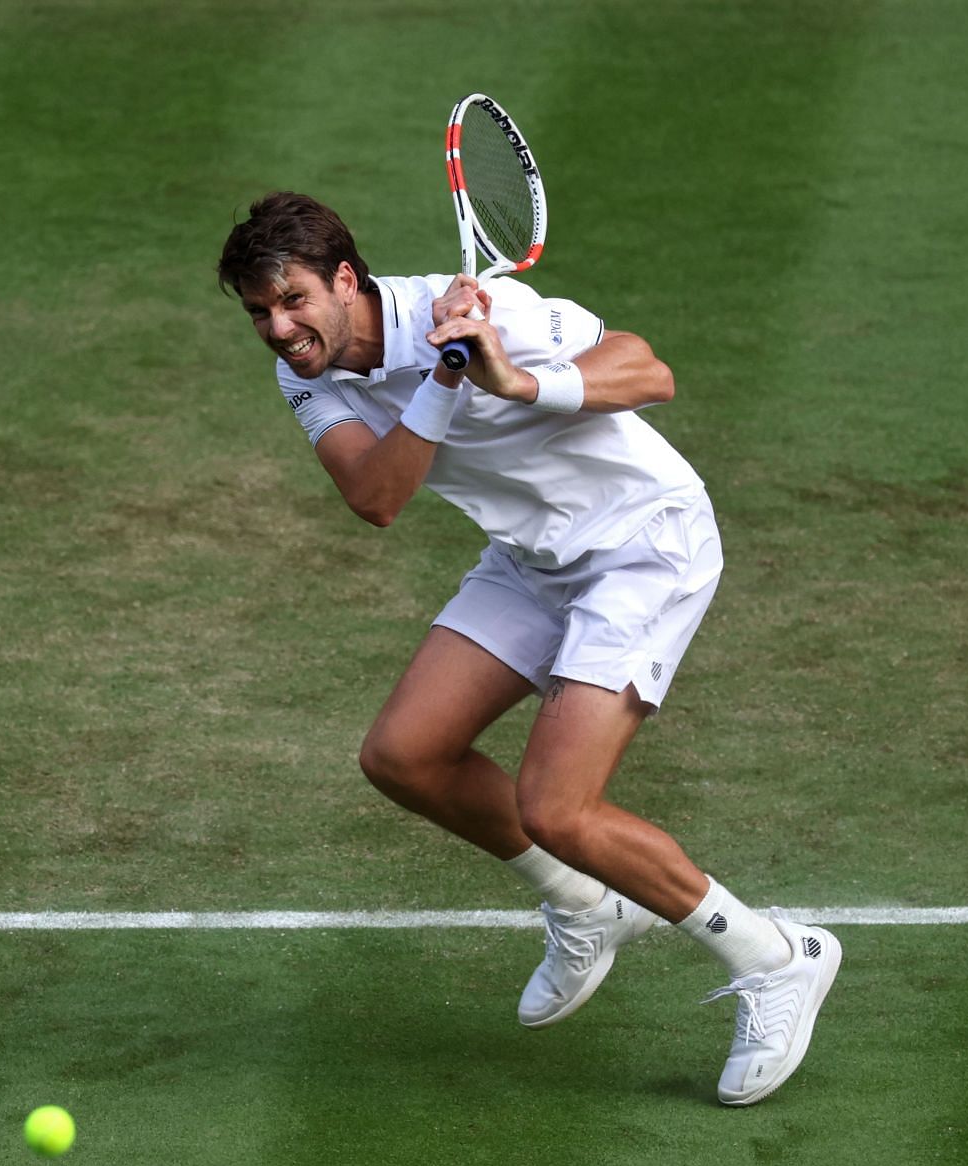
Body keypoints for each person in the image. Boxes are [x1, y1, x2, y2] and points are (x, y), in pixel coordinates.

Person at [216, 191, 839, 1105]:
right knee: (403, 756)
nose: (279, 328)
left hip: (641, 546)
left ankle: (777, 958)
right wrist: (442, 382)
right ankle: (585, 905)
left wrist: (518, 381)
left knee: (559, 807)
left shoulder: (491, 309)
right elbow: (376, 497)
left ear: (346, 280)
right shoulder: (306, 373)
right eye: (260, 313)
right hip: (534, 558)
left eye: (294, 301)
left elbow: (647, 370)